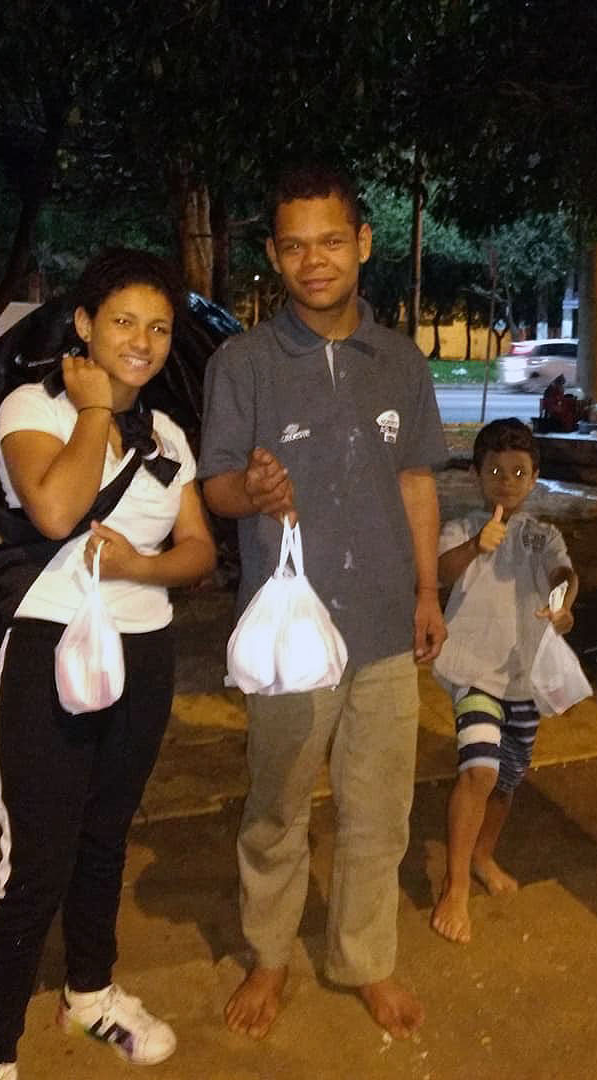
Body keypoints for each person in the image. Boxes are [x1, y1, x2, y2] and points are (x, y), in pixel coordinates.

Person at [199, 165, 448, 1040]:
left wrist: (428, 592)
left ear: (363, 244)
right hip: (290, 640)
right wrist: (253, 490)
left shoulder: (401, 361)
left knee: (379, 810)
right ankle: (270, 953)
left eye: (331, 241)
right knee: (278, 807)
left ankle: (364, 959)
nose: (315, 261)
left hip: (384, 628)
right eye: (295, 246)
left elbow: (417, 481)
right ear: (274, 255)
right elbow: (215, 486)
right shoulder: (243, 363)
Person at [0, 249, 217, 1080]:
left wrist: (143, 566)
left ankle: (91, 994)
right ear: (83, 324)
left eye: (159, 328)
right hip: (47, 647)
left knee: (106, 837)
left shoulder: (170, 435)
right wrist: (96, 409)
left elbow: (200, 549)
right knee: (36, 865)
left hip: (145, 650)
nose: (142, 341)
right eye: (123, 321)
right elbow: (56, 507)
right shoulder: (31, 407)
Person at [428, 417, 578, 945]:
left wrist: (560, 605)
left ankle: (483, 856)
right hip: (473, 672)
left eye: (518, 472)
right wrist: (476, 546)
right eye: (494, 470)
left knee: (507, 780)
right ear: (476, 474)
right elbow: (441, 572)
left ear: (534, 478)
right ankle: (454, 888)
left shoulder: (544, 535)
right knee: (481, 771)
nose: (506, 481)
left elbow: (563, 575)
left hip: (523, 677)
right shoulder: (461, 527)